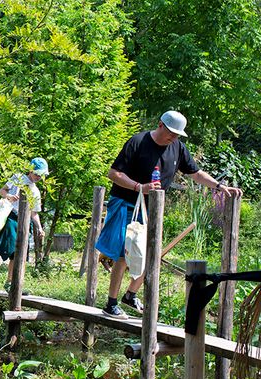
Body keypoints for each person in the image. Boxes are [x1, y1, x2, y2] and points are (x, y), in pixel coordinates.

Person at [95, 110, 242, 319]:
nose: (173, 137)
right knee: (125, 254)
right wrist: (139, 187)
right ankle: (110, 304)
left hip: (153, 208)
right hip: (127, 203)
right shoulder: (137, 142)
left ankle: (130, 295)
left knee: (152, 252)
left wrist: (219, 186)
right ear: (160, 124)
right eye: (171, 132)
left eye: (178, 134)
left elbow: (195, 173)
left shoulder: (178, 148)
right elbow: (114, 174)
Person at [0, 157, 48, 281]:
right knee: (13, 253)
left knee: (23, 254)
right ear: (30, 170)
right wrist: (9, 196)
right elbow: (2, 191)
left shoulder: (35, 191)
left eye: (41, 175)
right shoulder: (17, 178)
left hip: (25, 222)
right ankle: (10, 282)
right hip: (12, 217)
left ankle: (17, 283)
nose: (39, 177)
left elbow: (34, 213)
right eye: (37, 173)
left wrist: (39, 228)